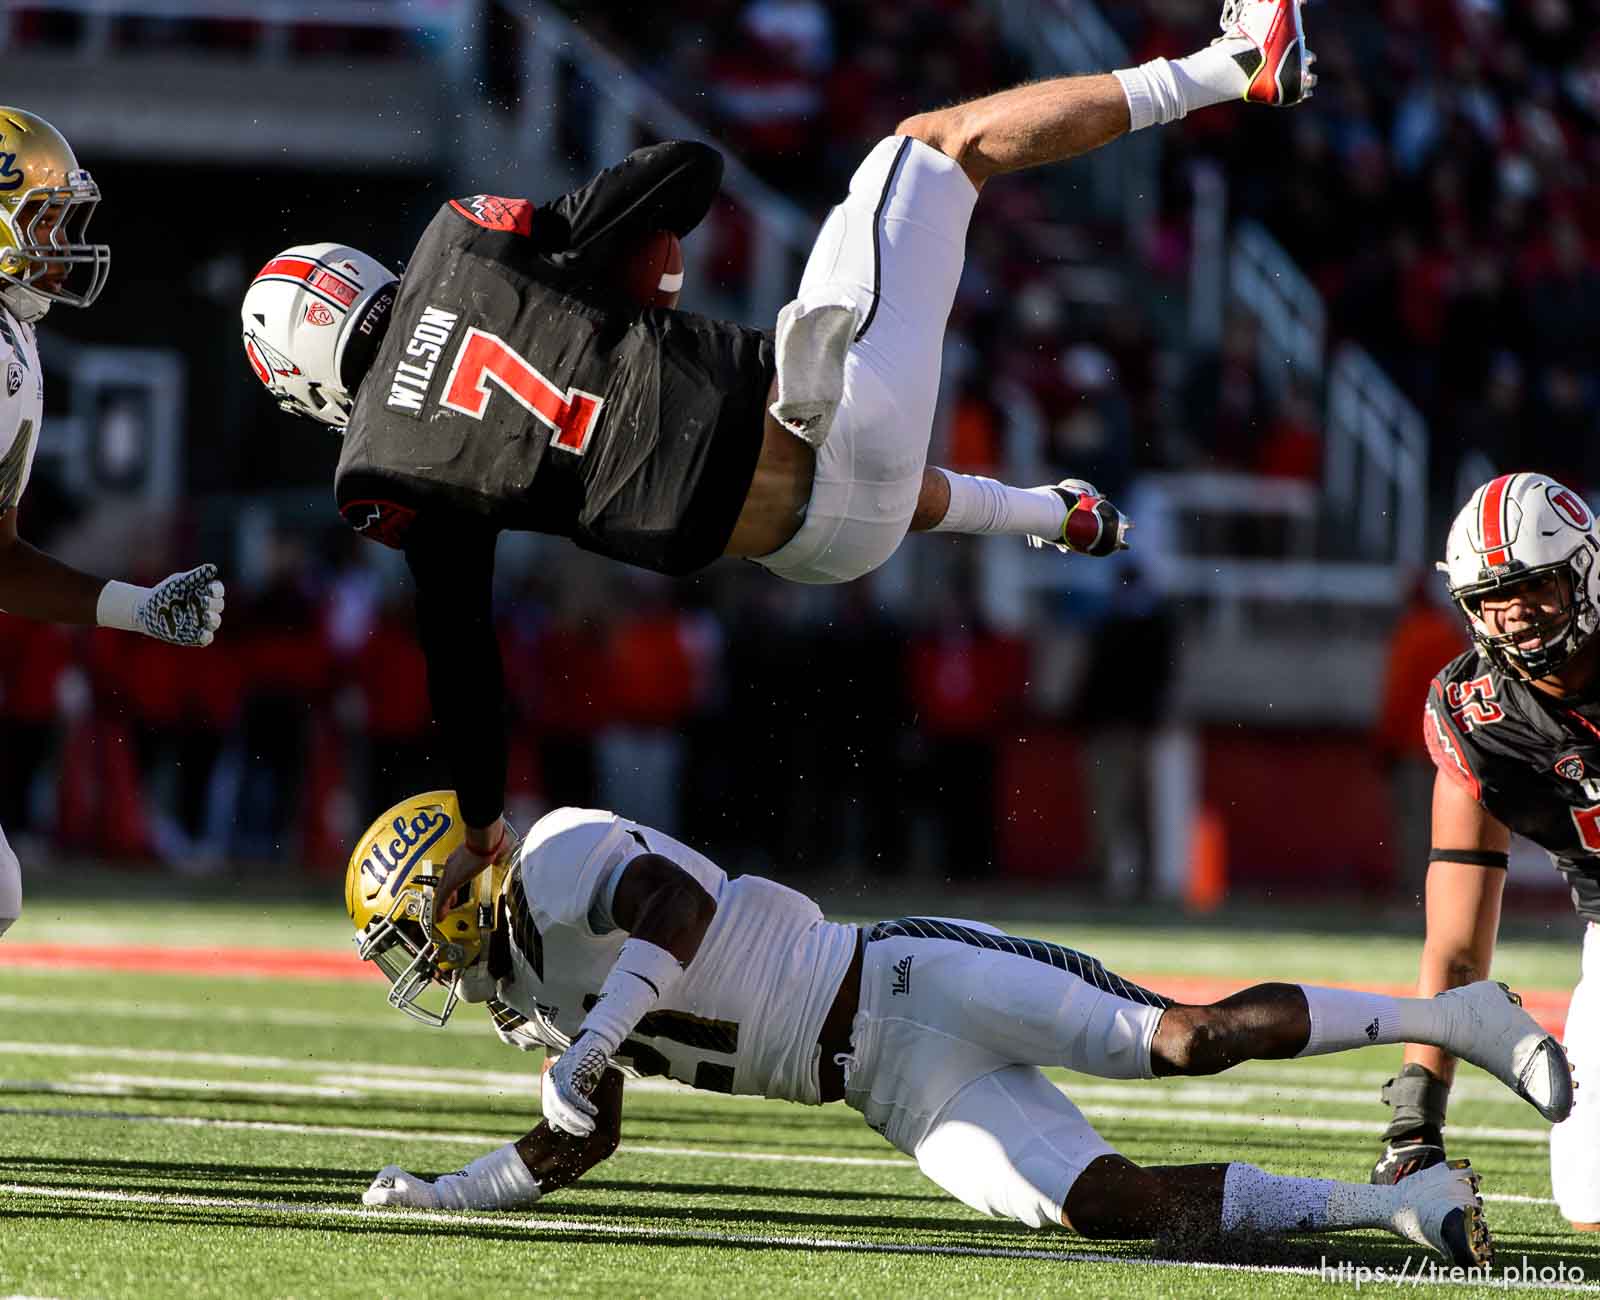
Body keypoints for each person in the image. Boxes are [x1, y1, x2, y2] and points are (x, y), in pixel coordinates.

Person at [240, 0, 1317, 885]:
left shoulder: (379, 472)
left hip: (816, 551)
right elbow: (685, 169)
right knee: (932, 149)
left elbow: (463, 659)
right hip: (816, 417)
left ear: (308, 376)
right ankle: (1229, 68)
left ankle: (1051, 513)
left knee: (853, 485)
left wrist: (483, 826)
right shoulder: (458, 239)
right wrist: (631, 283)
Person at [343, 793, 1576, 1267]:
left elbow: (676, 905)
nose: (420, 959)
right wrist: (445, 1192)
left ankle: (1453, 1014)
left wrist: (594, 1039)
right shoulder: (527, 989)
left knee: (1182, 1039)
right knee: (1111, 1209)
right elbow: (578, 1142)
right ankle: (1400, 1210)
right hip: (892, 1094)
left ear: (461, 879)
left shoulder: (556, 856)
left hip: (902, 981)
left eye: (416, 927)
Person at [0, 106, 225, 940]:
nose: (58, 242)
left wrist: (139, 605)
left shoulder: (12, 341)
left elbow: (1, 560)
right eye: (43, 219)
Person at [1369, 472, 1600, 1233]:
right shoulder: (1482, 716)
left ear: (1583, 570)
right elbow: (1457, 950)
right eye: (1490, 597)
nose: (1514, 615)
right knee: (1590, 1198)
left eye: (1533, 586)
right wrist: (1415, 1118)